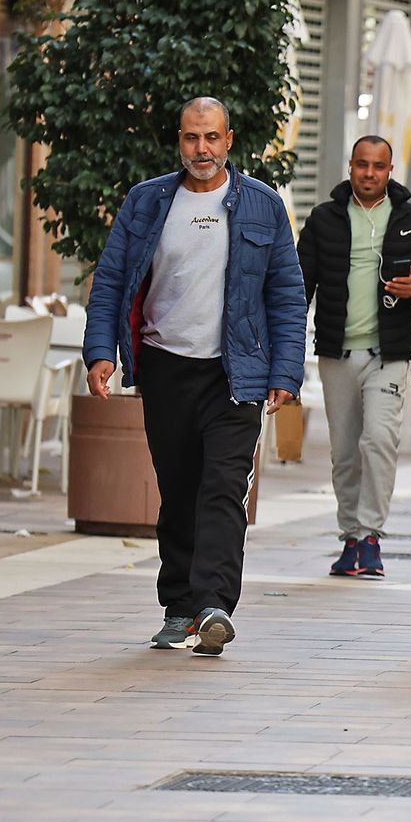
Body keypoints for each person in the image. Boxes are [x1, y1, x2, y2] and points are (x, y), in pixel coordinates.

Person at [84, 98, 305, 656]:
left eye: (210, 138)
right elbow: (111, 280)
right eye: (190, 138)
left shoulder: (262, 204)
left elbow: (286, 293)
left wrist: (286, 370)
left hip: (236, 372)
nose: (201, 149)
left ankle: (213, 607)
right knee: (179, 490)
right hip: (165, 367)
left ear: (229, 139)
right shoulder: (147, 200)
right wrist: (100, 352)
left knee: (224, 489)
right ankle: (179, 607)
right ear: (179, 141)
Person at [296, 136, 411, 579]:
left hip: (389, 354)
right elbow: (299, 285)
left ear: (390, 170)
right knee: (344, 451)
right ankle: (350, 537)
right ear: (351, 166)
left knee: (378, 441)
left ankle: (371, 536)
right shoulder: (324, 219)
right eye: (362, 165)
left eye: (378, 166)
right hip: (336, 352)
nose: (370, 173)